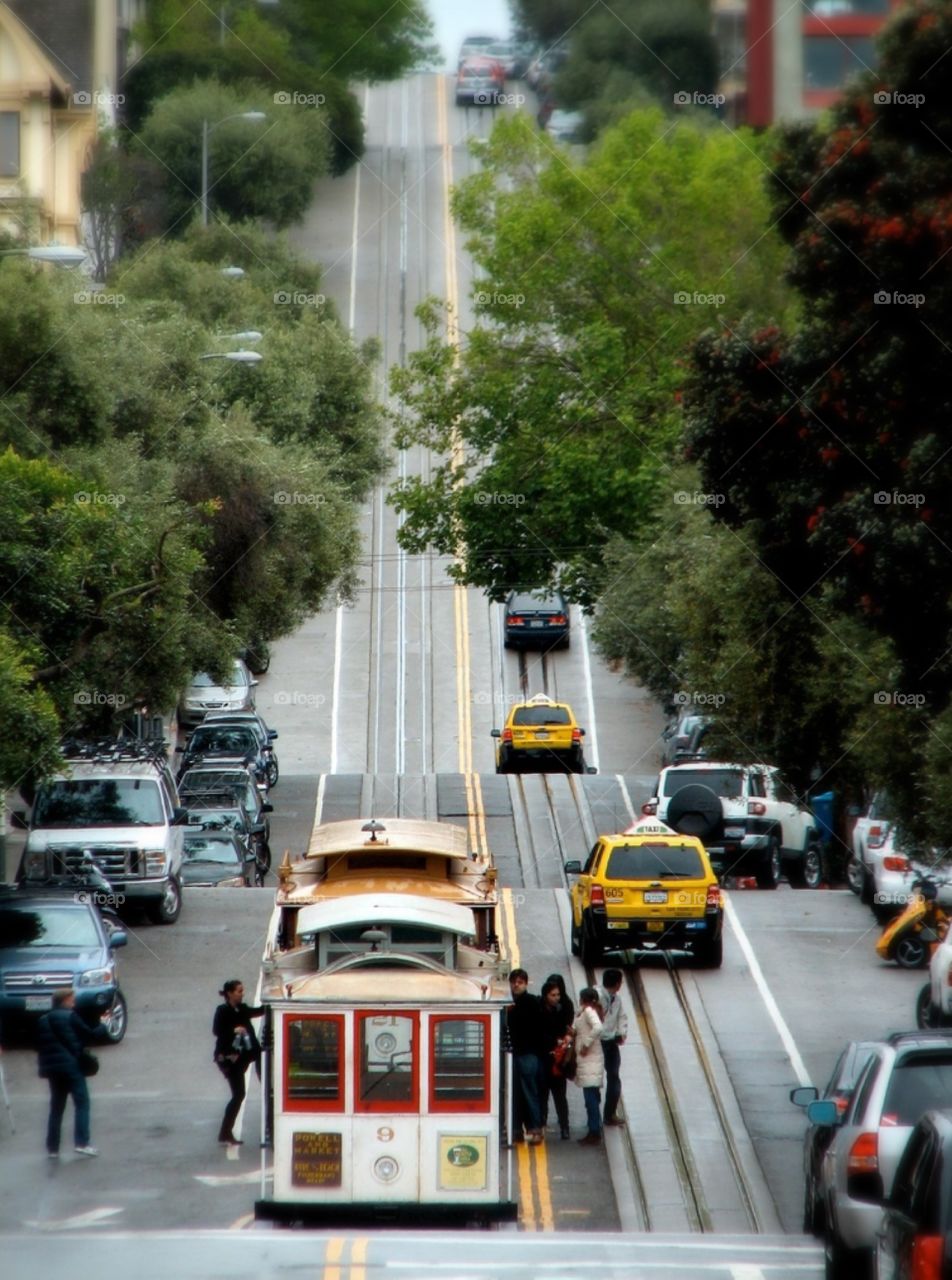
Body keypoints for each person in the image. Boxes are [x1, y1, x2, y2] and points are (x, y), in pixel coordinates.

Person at [36, 988, 110, 1157]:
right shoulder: (70, 1017)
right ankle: (82, 1142)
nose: (74, 1003)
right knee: (82, 1103)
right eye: (72, 999)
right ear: (65, 1001)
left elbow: (37, 1044)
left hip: (52, 1070)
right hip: (71, 1067)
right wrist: (103, 1024)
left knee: (56, 1108)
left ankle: (53, 1148)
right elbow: (90, 1035)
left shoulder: (43, 1020)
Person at [213, 979, 264, 1145]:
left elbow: (258, 1011)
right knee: (238, 1094)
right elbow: (217, 1030)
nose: (242, 994)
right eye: (239, 991)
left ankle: (225, 1132)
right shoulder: (222, 1011)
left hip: (242, 1056)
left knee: (239, 1093)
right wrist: (234, 1030)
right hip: (229, 1058)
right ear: (230, 993)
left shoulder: (242, 1009)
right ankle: (225, 1132)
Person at [506, 968, 545, 1145]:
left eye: (520, 982)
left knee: (529, 1092)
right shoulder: (509, 1003)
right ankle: (517, 1130)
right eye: (514, 981)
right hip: (514, 1053)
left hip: (528, 1054)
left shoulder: (530, 1002)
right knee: (515, 1094)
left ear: (526, 984)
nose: (516, 985)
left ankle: (535, 1129)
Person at [540, 976, 575, 1139]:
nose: (556, 998)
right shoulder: (540, 1010)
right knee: (546, 1094)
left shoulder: (562, 1008)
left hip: (557, 1058)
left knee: (558, 1095)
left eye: (558, 995)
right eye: (553, 995)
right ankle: (545, 1124)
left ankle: (563, 1126)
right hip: (547, 1057)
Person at [571, 986, 605, 1145]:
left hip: (590, 1060)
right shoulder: (586, 1011)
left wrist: (585, 1044)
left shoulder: (589, 1011)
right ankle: (594, 1126)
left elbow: (598, 1027)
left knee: (590, 1098)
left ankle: (594, 1131)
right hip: (589, 1061)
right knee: (592, 1096)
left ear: (582, 999)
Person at [597, 968, 629, 1127]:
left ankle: (609, 1114)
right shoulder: (597, 997)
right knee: (595, 1079)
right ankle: (595, 1117)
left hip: (610, 1042)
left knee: (614, 1076)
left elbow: (622, 1017)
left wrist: (621, 1033)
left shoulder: (617, 999)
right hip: (597, 1043)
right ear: (617, 984)